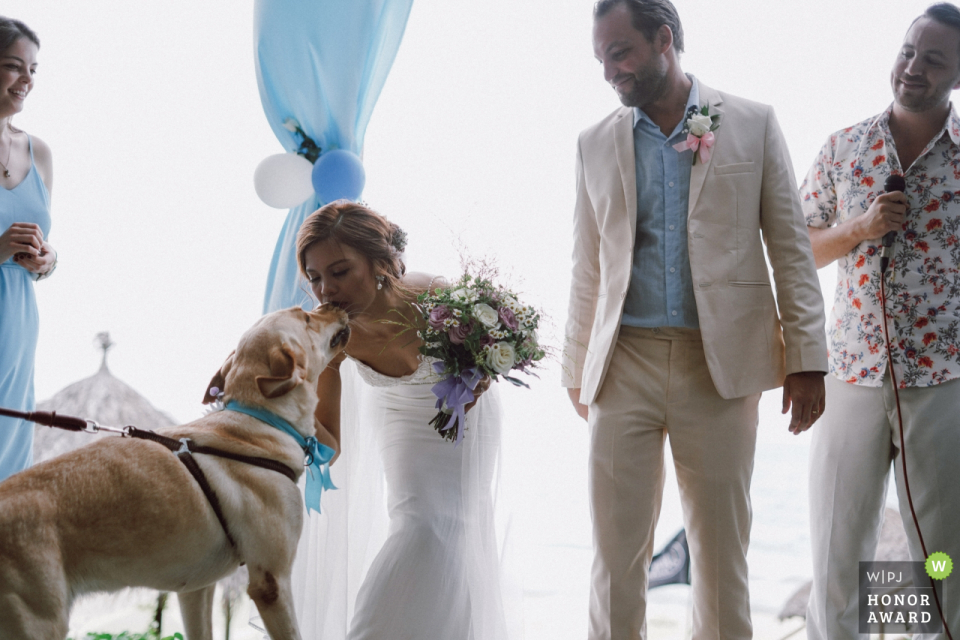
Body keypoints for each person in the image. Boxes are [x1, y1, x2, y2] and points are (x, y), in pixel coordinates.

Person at [561, 1, 829, 638]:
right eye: (601, 58)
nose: (609, 72)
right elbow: (586, 264)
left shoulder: (753, 124)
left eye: (620, 52)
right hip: (622, 364)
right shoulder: (594, 142)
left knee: (720, 556)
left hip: (723, 367)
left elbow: (789, 249)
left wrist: (807, 360)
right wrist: (576, 368)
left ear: (664, 39)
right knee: (615, 558)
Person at [283, 201, 519, 640]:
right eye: (314, 278)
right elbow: (328, 449)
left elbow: (487, 365)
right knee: (420, 523)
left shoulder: (436, 298)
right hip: (399, 418)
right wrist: (296, 400)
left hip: (464, 413)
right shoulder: (331, 337)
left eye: (339, 272)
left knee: (457, 529)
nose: (325, 291)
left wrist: (483, 373)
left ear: (379, 263)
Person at [802, 4, 960, 638]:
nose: (913, 68)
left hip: (944, 381)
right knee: (837, 545)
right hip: (851, 374)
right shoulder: (844, 147)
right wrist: (862, 227)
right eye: (907, 51)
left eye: (934, 60)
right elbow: (798, 249)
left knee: (940, 557)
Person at [0, 17, 56, 483]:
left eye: (33, 69)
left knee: (10, 476)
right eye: (13, 66)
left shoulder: (38, 153)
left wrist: (46, 260)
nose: (27, 81)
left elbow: (46, 252)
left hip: (18, 329)